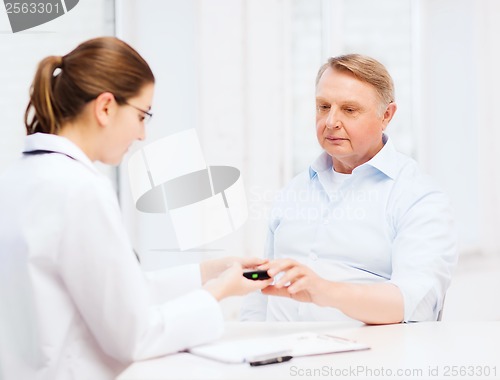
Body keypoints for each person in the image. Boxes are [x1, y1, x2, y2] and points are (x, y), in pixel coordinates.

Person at [0, 37, 271, 380]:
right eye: (142, 115)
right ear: (106, 107)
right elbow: (133, 337)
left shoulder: (17, 178)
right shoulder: (81, 190)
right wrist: (219, 291)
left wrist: (209, 271)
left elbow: (112, 293)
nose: (142, 134)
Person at [241, 54, 457, 324]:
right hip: (277, 357)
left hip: (365, 362)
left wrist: (325, 291)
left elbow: (414, 305)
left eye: (349, 110)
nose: (331, 121)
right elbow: (261, 295)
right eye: (323, 106)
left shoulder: (418, 197)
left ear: (386, 115)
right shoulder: (295, 190)